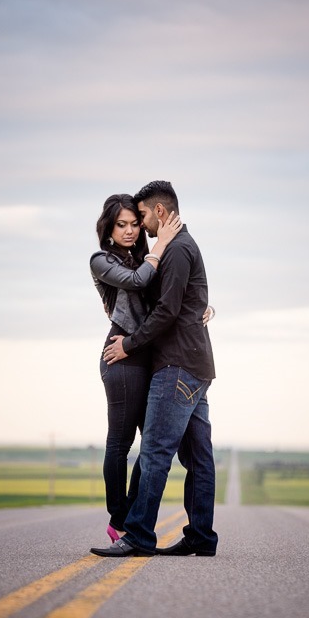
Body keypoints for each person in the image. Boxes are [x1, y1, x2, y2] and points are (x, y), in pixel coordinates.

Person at [90, 181, 218, 558]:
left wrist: (129, 343)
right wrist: (200, 309)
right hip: (192, 363)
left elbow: (167, 310)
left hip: (176, 364)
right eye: (124, 223)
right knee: (197, 457)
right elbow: (171, 297)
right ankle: (201, 538)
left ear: (159, 212)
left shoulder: (174, 248)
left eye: (140, 217)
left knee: (156, 453)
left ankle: (139, 535)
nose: (137, 227)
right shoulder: (161, 251)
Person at [90, 193, 182, 543]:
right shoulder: (101, 259)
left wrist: (203, 309)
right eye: (121, 225)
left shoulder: (146, 257)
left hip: (149, 354)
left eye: (134, 224)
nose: (129, 231)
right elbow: (137, 282)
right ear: (109, 229)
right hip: (121, 354)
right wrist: (162, 244)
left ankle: (130, 511)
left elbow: (166, 297)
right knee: (120, 442)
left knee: (154, 442)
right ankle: (118, 518)